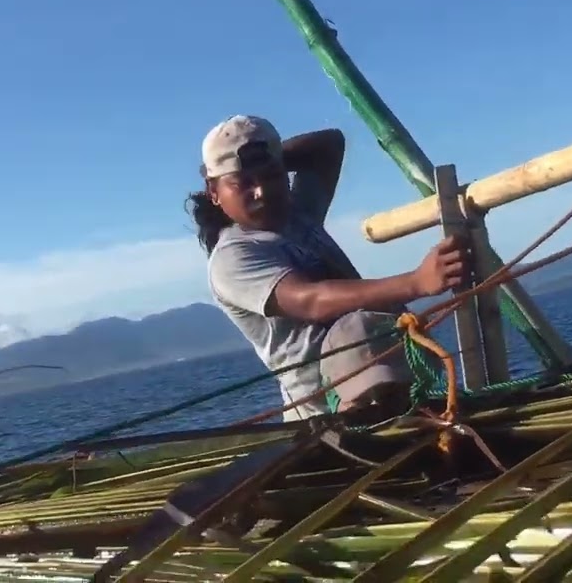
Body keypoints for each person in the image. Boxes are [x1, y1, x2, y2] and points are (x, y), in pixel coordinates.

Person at [187, 114, 468, 422]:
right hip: (327, 417)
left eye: (271, 177)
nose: (261, 192)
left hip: (394, 384)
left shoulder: (297, 213)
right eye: (243, 183)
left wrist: (268, 154)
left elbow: (330, 144)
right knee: (355, 328)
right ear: (213, 192)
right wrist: (416, 282)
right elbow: (311, 300)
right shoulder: (232, 256)